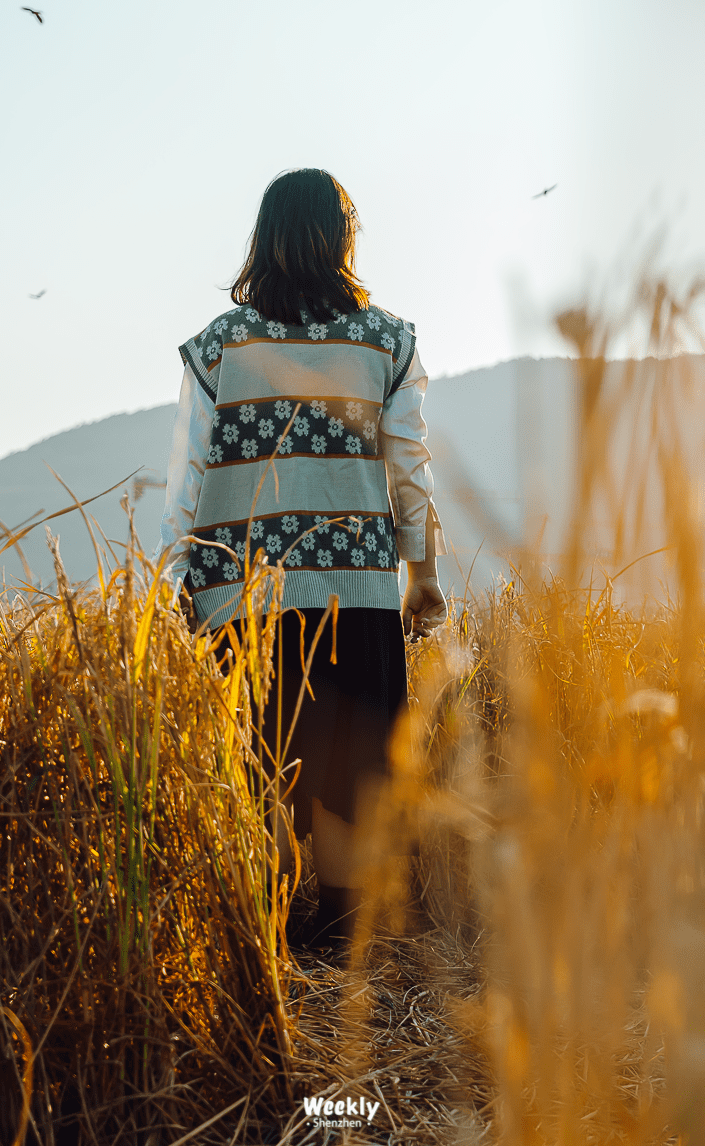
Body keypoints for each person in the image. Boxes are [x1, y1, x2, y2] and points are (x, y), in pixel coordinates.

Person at [154, 167, 446, 947]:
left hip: (239, 593)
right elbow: (410, 468)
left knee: (258, 767)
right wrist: (424, 578)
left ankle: (272, 947)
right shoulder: (390, 341)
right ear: (345, 239)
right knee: (352, 777)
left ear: (264, 240)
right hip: (356, 592)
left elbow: (184, 480)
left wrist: (168, 582)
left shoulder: (217, 346)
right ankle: (342, 940)